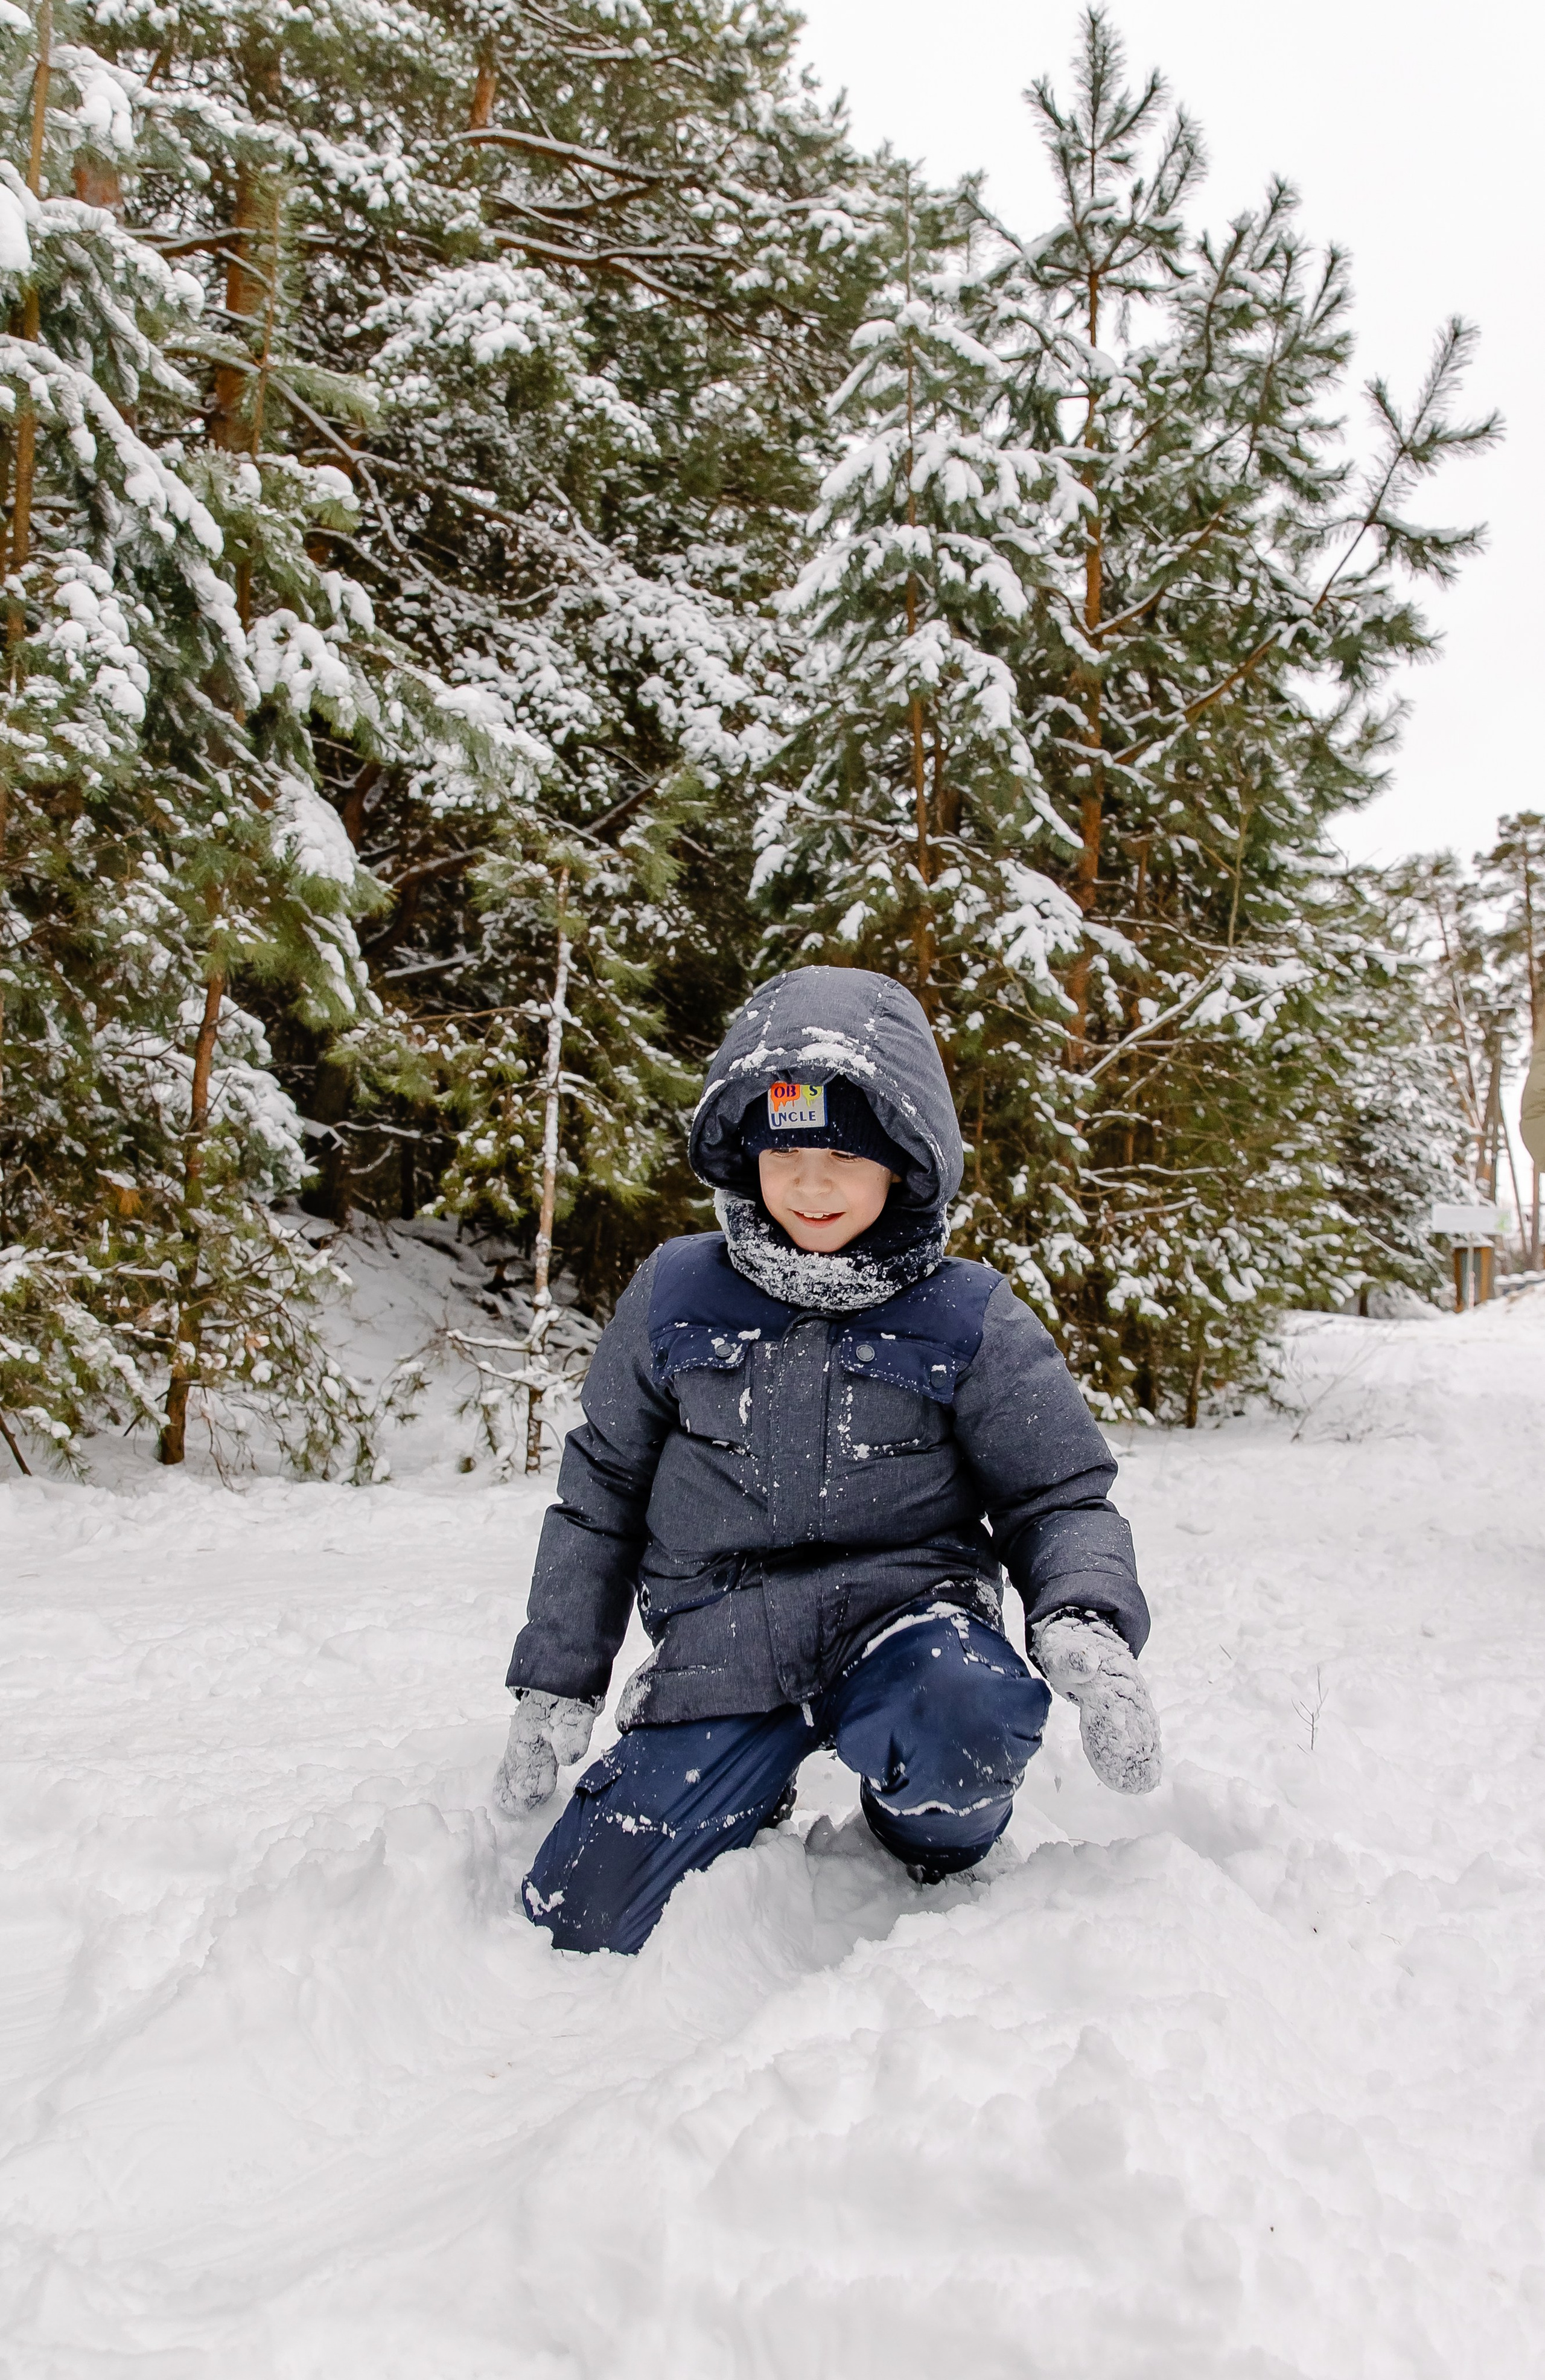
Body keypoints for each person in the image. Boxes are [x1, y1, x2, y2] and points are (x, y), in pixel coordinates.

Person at [497, 965, 1161, 1954]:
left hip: (907, 1622)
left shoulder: (967, 1314)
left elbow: (1057, 1493)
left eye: (846, 1155)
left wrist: (1083, 1617)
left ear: (905, 1161)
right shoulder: (676, 1293)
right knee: (580, 1920)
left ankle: (921, 1831)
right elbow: (601, 1496)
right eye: (785, 1152)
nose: (811, 1186)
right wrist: (559, 1677)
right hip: (723, 1645)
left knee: (967, 1713)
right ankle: (743, 1784)